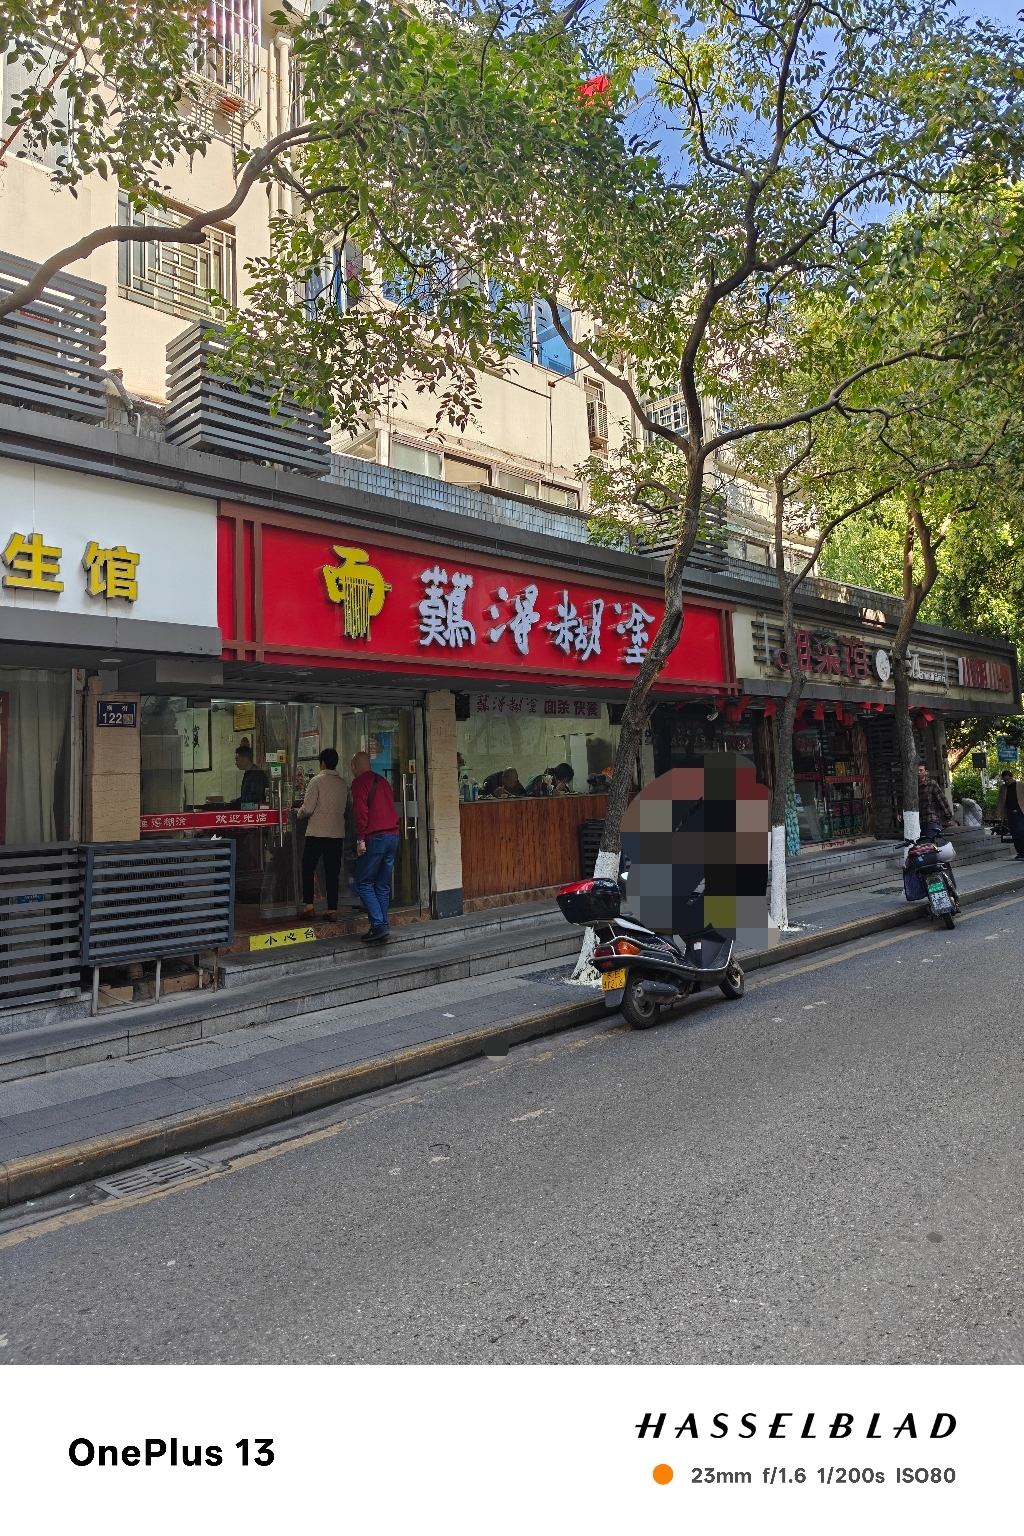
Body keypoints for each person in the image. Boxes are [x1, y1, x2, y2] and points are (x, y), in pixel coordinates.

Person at [350, 751, 401, 941]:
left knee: (363, 882)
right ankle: (384, 924)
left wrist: (360, 839)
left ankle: (378, 924)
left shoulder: (359, 782)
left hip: (375, 837)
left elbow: (361, 813)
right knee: (382, 884)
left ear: (354, 766)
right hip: (393, 836)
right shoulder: (384, 781)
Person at [297, 748, 349, 921]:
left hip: (317, 832)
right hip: (336, 833)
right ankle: (332, 910)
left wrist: (298, 813)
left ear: (322, 763)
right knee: (332, 872)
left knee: (308, 867)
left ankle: (309, 906)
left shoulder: (316, 781)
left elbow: (308, 808)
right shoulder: (342, 783)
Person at [917, 764, 953, 842]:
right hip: (918, 820)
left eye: (921, 770)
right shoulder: (913, 786)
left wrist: (948, 816)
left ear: (926, 772)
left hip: (931, 818)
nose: (918, 772)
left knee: (929, 842)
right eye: (917, 771)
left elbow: (942, 800)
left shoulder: (932, 784)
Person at [996, 768, 1024, 859]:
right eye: (1005, 780)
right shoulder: (1003, 788)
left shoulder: (1021, 785)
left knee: (1021, 830)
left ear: (1012, 777)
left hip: (1020, 811)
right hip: (1010, 812)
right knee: (1014, 832)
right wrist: (999, 812)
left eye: (1008, 779)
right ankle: (1020, 852)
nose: (1007, 781)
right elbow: (1001, 801)